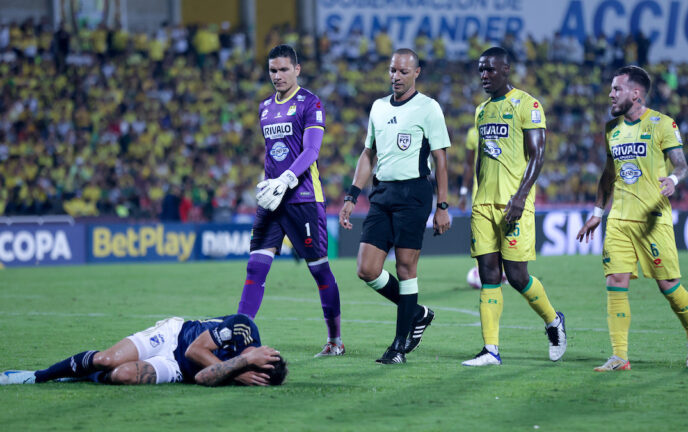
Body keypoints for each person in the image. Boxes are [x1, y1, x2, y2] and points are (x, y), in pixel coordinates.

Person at [577, 65, 688, 371]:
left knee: (668, 286)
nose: (610, 94)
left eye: (616, 89)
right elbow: (608, 175)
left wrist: (673, 179)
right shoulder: (612, 129)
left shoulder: (662, 124)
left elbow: (682, 165)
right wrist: (597, 213)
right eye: (611, 89)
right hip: (619, 219)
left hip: (651, 220)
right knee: (615, 281)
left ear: (635, 93)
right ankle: (620, 356)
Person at [339, 48, 451, 364]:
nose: (396, 77)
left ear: (416, 72)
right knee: (367, 268)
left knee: (405, 268)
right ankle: (416, 313)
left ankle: (399, 347)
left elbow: (441, 159)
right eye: (392, 70)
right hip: (382, 193)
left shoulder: (429, 108)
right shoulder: (377, 108)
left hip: (414, 194)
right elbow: (367, 154)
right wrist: (351, 195)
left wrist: (442, 205)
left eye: (402, 71)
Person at [463, 47, 567, 367]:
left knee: (518, 276)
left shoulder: (528, 105)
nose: (484, 75)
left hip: (514, 203)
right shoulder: (481, 112)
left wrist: (521, 196)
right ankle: (491, 350)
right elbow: (481, 159)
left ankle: (553, 321)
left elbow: (538, 154)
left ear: (506, 70)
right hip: (483, 205)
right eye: (481, 70)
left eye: (490, 70)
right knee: (488, 274)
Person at [240, 45, 344, 358]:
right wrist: (268, 182)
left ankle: (335, 340)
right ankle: (240, 337)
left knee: (319, 271)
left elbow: (311, 151)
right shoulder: (264, 108)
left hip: (303, 198)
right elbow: (273, 152)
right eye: (273, 70)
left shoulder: (310, 102)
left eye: (284, 69)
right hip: (273, 201)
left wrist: (286, 179)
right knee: (255, 267)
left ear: (296, 70)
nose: (278, 76)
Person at [0, 314, 286, 386]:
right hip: (173, 338)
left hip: (178, 371)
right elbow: (194, 352)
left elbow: (200, 378)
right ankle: (36, 376)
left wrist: (236, 371)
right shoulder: (243, 328)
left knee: (123, 375)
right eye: (254, 369)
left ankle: (78, 376)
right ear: (257, 356)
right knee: (106, 359)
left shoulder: (243, 373)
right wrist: (241, 364)